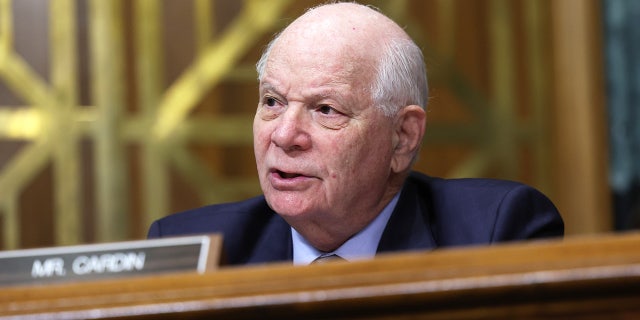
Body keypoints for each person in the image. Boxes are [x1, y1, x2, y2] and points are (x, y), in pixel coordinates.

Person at [148, 2, 564, 265]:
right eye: (272, 102)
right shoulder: (193, 250)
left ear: (402, 137)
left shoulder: (496, 236)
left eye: (326, 110)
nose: (285, 135)